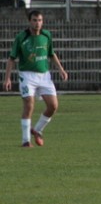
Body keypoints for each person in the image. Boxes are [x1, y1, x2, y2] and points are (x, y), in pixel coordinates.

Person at [3, 10, 69, 148]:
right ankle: (26, 141)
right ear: (29, 21)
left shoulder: (46, 35)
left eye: (39, 20)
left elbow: (51, 54)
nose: (37, 23)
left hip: (44, 76)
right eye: (34, 20)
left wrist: (61, 69)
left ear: (42, 21)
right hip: (27, 75)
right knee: (29, 104)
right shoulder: (22, 37)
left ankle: (37, 130)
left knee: (53, 106)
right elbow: (11, 59)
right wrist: (7, 78)